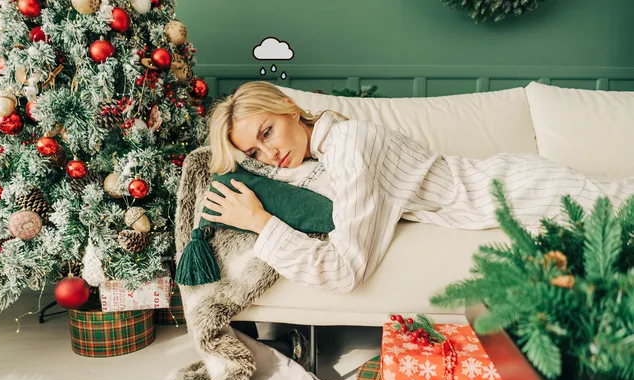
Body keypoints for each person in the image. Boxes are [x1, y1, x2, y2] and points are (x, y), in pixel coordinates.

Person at [202, 81, 634, 294]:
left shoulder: (349, 146)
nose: (269, 154)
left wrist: (261, 224)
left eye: (267, 132)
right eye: (254, 153)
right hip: (511, 186)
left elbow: (344, 269)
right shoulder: (327, 152)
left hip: (524, 191)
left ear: (290, 109)